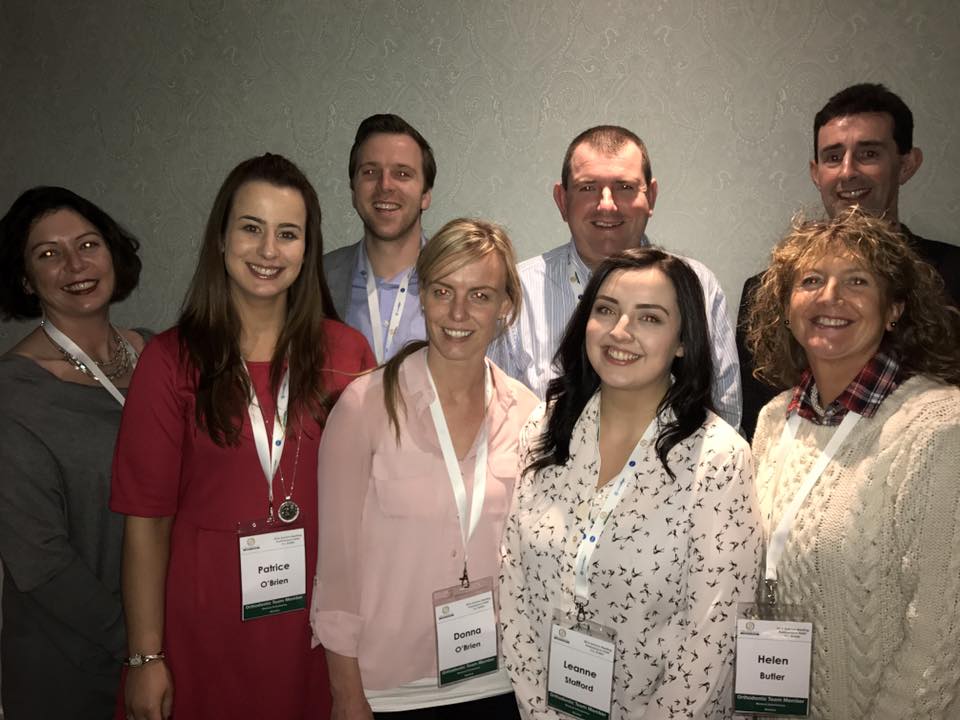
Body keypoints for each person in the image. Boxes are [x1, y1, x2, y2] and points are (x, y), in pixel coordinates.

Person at [111, 153, 374, 720]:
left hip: (314, 633)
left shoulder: (347, 356)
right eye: (251, 228)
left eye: (288, 234)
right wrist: (144, 656)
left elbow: (371, 517)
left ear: (307, 249)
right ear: (222, 239)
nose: (268, 251)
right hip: (202, 633)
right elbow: (146, 523)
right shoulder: (169, 362)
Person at [501, 248, 760, 719]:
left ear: (683, 342)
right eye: (606, 310)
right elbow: (513, 586)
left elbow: (714, 636)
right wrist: (539, 711)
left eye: (650, 318)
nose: (620, 332)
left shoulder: (718, 459)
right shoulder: (544, 427)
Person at [311, 218, 538, 719]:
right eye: (443, 291)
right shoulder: (364, 406)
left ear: (505, 307)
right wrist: (345, 693)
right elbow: (337, 570)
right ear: (423, 295)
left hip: (500, 684)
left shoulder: (528, 415)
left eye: (480, 295)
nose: (458, 312)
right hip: (391, 691)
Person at [747, 209, 960, 719]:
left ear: (894, 309)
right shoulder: (774, 420)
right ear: (787, 306)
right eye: (811, 281)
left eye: (857, 281)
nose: (829, 297)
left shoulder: (938, 425)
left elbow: (940, 635)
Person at [736, 82, 960, 440]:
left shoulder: (954, 275)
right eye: (833, 156)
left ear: (906, 164)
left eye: (868, 154)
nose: (847, 172)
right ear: (815, 172)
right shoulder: (765, 293)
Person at [0, 186, 148, 719]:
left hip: (164, 648)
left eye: (88, 245)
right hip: (73, 668)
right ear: (25, 279)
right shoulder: (13, 393)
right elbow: (40, 562)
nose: (74, 265)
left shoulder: (158, 354)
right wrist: (142, 647)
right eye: (48, 254)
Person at [488, 125, 741, 428]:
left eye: (624, 187)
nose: (606, 204)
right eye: (587, 187)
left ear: (652, 196)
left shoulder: (698, 286)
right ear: (562, 200)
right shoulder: (517, 290)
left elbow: (725, 416)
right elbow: (496, 421)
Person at [323, 113, 436, 362]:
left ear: (425, 194)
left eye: (403, 174)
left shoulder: (458, 281)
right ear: (353, 190)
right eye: (370, 171)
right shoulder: (316, 280)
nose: (385, 185)